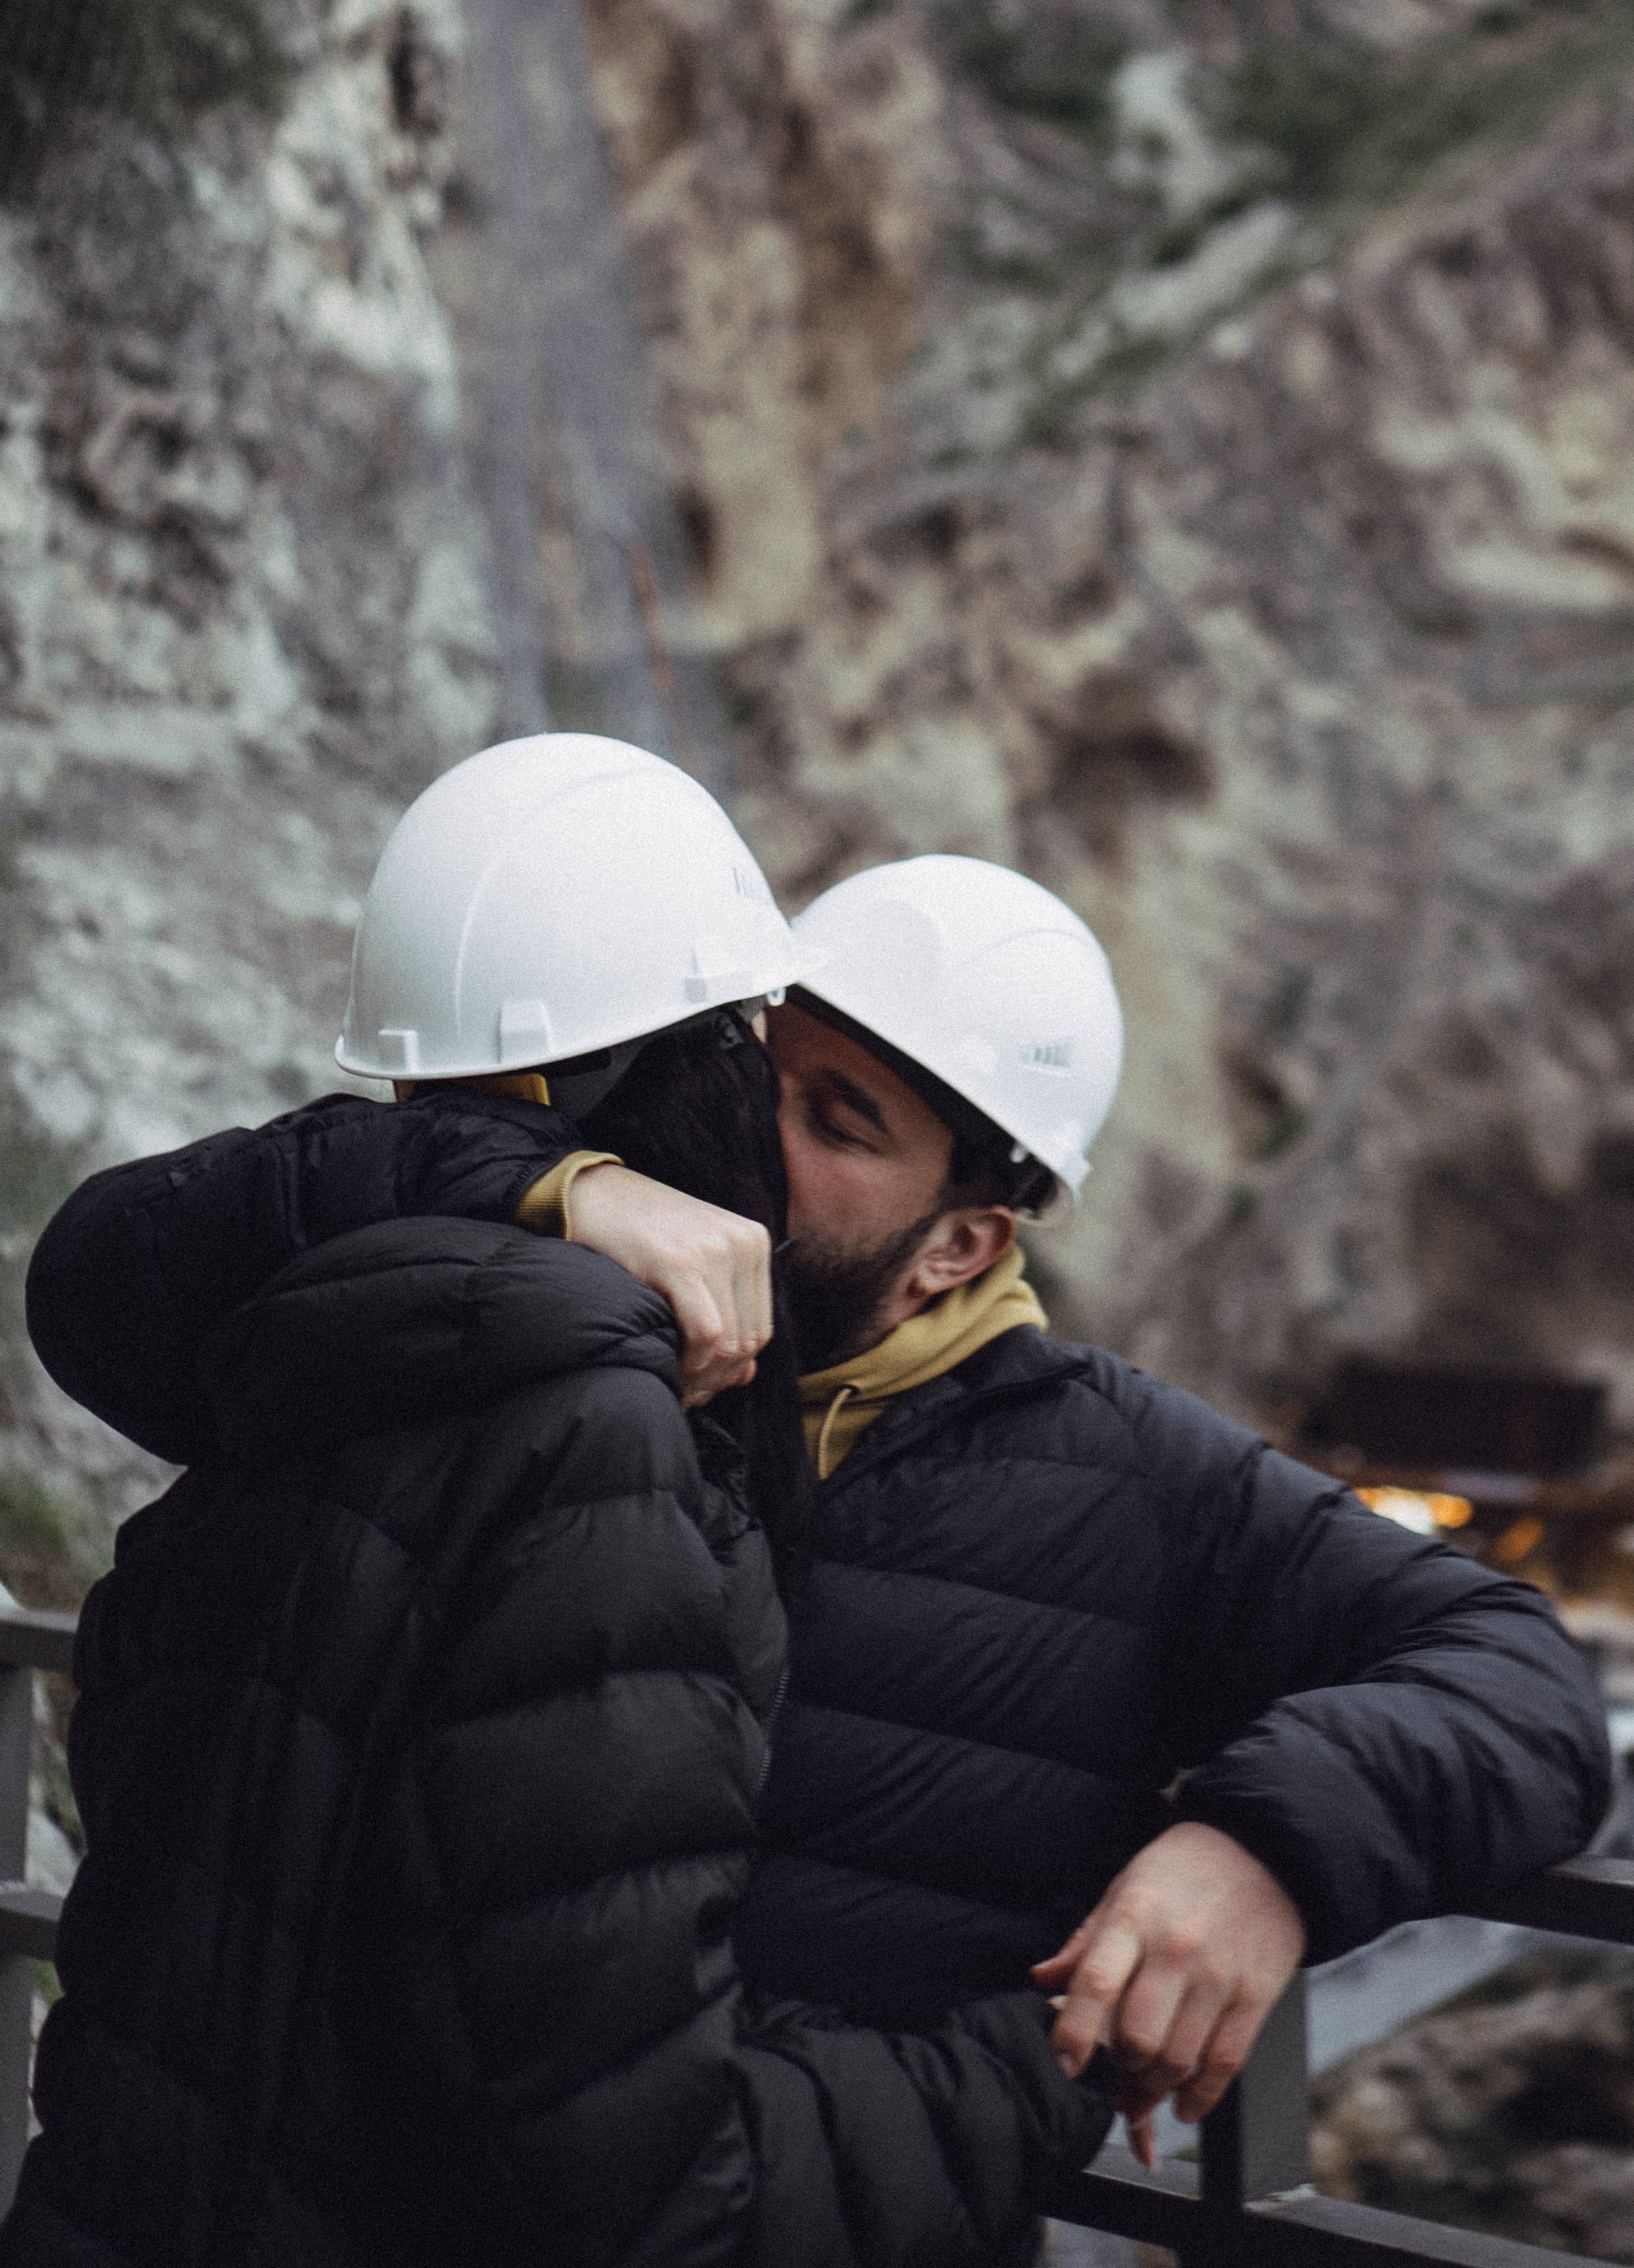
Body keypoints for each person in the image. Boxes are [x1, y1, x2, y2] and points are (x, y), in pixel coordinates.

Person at [5, 740, 1112, 2268]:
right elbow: (643, 2190)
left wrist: (545, 1187)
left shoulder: (296, 1340)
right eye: (749, 1057)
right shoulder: (595, 1432)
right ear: (692, 1072)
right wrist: (1031, 2067)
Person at [732, 856, 1612, 2162]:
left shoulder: (1135, 1480)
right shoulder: (602, 1351)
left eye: (838, 1122)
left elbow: (1528, 1683)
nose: (753, 1135)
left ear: (960, 1245)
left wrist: (1265, 1844)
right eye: (761, 1078)